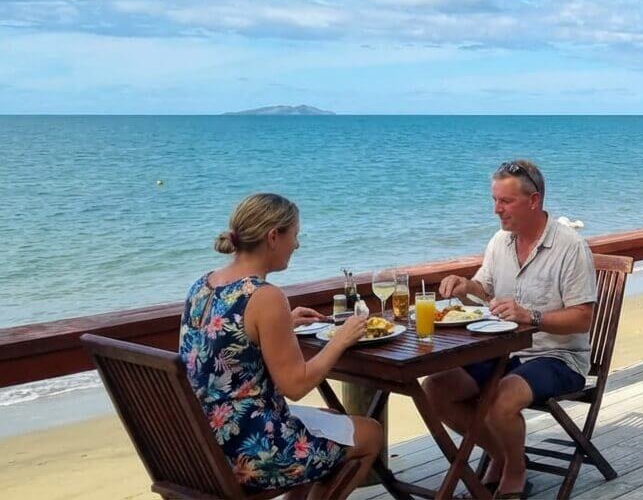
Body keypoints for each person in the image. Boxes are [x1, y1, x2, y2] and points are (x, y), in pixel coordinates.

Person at [179, 193, 382, 499]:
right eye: (295, 236)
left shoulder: (203, 284)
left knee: (332, 416)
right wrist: (341, 339)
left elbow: (226, 337)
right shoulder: (265, 296)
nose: (296, 245)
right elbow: (296, 385)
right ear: (273, 236)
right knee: (370, 434)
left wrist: (282, 322)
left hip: (198, 443)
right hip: (247, 451)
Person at [425, 160, 597, 499]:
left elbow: (582, 318)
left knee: (501, 398)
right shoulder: (500, 241)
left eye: (505, 202)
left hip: (558, 356)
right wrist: (465, 286)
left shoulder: (570, 247)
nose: (496, 210)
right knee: (435, 389)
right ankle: (506, 455)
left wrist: (530, 315)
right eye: (494, 200)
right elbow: (484, 289)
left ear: (533, 201)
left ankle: (514, 474)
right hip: (502, 350)